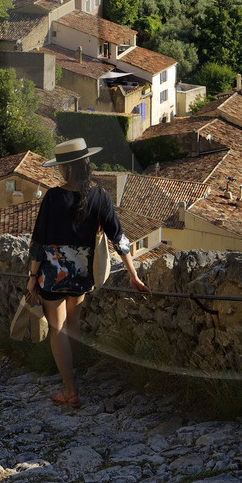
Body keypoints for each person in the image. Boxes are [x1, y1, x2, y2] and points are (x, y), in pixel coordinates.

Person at [27, 138, 148, 409]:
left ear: (68, 169)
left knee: (56, 328)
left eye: (60, 167)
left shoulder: (53, 197)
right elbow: (119, 238)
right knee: (73, 325)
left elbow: (39, 242)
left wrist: (33, 276)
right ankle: (71, 379)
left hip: (53, 275)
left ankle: (70, 390)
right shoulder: (100, 195)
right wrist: (133, 274)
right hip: (83, 274)